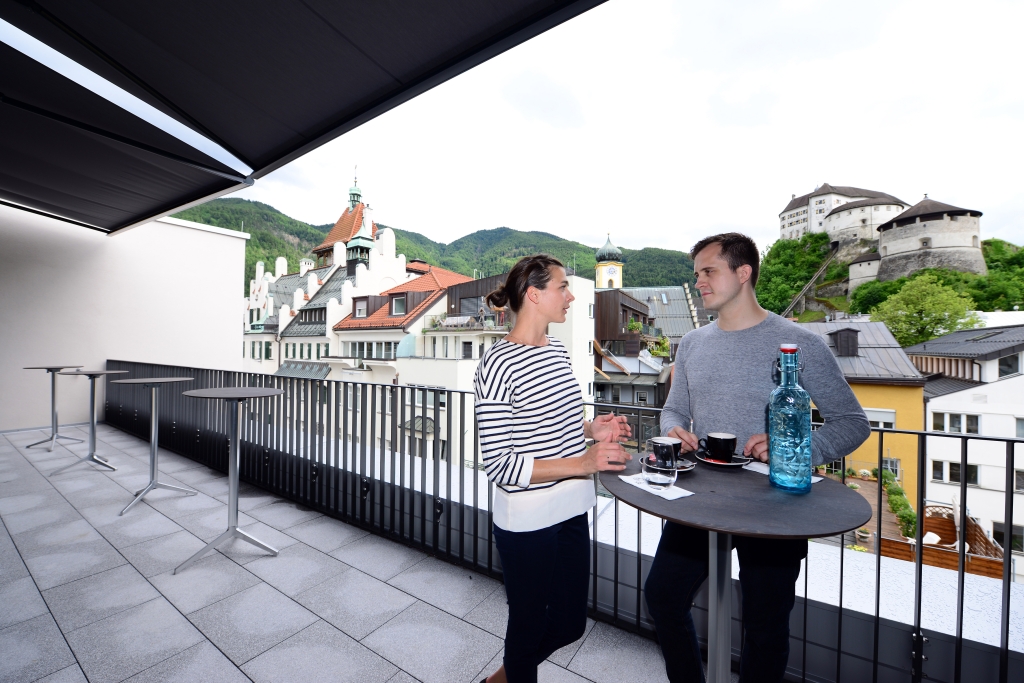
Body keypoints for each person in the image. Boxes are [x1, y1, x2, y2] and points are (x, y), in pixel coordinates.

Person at [644, 233, 870, 683]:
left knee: (765, 627)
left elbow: (852, 422)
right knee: (663, 598)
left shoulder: (798, 342)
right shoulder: (690, 343)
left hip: (776, 505)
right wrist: (673, 427)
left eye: (709, 272)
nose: (699, 283)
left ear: (743, 273)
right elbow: (674, 408)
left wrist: (795, 450)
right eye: (697, 275)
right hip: (700, 498)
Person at [475, 254, 632, 683]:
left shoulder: (558, 349)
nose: (571, 295)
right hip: (526, 522)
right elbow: (501, 465)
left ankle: (503, 677)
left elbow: (558, 420)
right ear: (534, 295)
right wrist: (584, 462)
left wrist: (592, 428)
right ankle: (514, 673)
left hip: (571, 507)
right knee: (525, 630)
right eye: (563, 287)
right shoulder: (496, 364)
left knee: (569, 624)